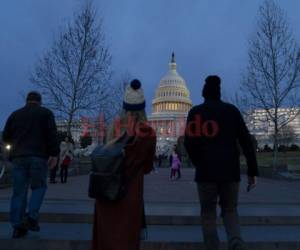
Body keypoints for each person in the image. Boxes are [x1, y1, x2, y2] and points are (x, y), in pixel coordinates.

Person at [184, 76, 258, 250]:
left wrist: (198, 162)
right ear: (219, 91)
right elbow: (246, 142)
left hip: (206, 172)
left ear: (204, 93)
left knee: (208, 213)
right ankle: (236, 243)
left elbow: (188, 142)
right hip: (230, 171)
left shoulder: (196, 112)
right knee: (230, 210)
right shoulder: (232, 111)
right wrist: (252, 171)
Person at [92, 79, 156, 250]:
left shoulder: (113, 128)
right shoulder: (147, 134)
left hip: (106, 192)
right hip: (130, 194)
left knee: (106, 238)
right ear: (143, 108)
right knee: (126, 239)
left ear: (124, 106)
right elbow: (148, 167)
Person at [2, 91, 59, 238]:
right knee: (38, 187)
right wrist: (54, 154)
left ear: (26, 101)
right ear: (39, 101)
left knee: (19, 191)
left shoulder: (15, 115)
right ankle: (31, 217)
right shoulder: (46, 114)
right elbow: (52, 135)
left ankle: (17, 225)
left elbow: (6, 136)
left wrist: (9, 152)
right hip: (38, 157)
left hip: (19, 157)